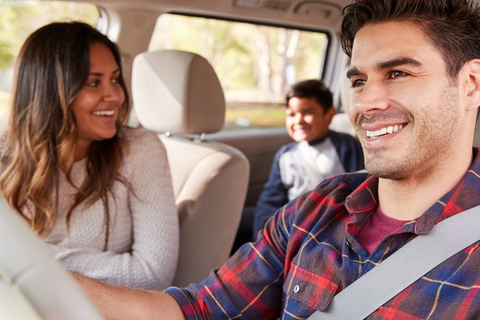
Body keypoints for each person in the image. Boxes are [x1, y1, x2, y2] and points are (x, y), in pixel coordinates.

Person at [74, 0, 480, 318]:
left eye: (398, 74)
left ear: (470, 85)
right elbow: (199, 310)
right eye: (358, 80)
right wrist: (37, 278)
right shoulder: (316, 209)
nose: (365, 103)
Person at [0, 22, 179, 290]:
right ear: (49, 92)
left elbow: (152, 274)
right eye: (94, 83)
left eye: (115, 79)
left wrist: (27, 258)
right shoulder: (5, 151)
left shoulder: (139, 150)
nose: (116, 95)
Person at [251, 79, 364, 238]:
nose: (298, 120)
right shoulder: (285, 155)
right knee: (237, 218)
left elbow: (359, 189)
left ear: (329, 114)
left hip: (330, 221)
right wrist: (262, 236)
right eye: (291, 114)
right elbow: (269, 200)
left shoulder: (344, 144)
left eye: (308, 112)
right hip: (291, 222)